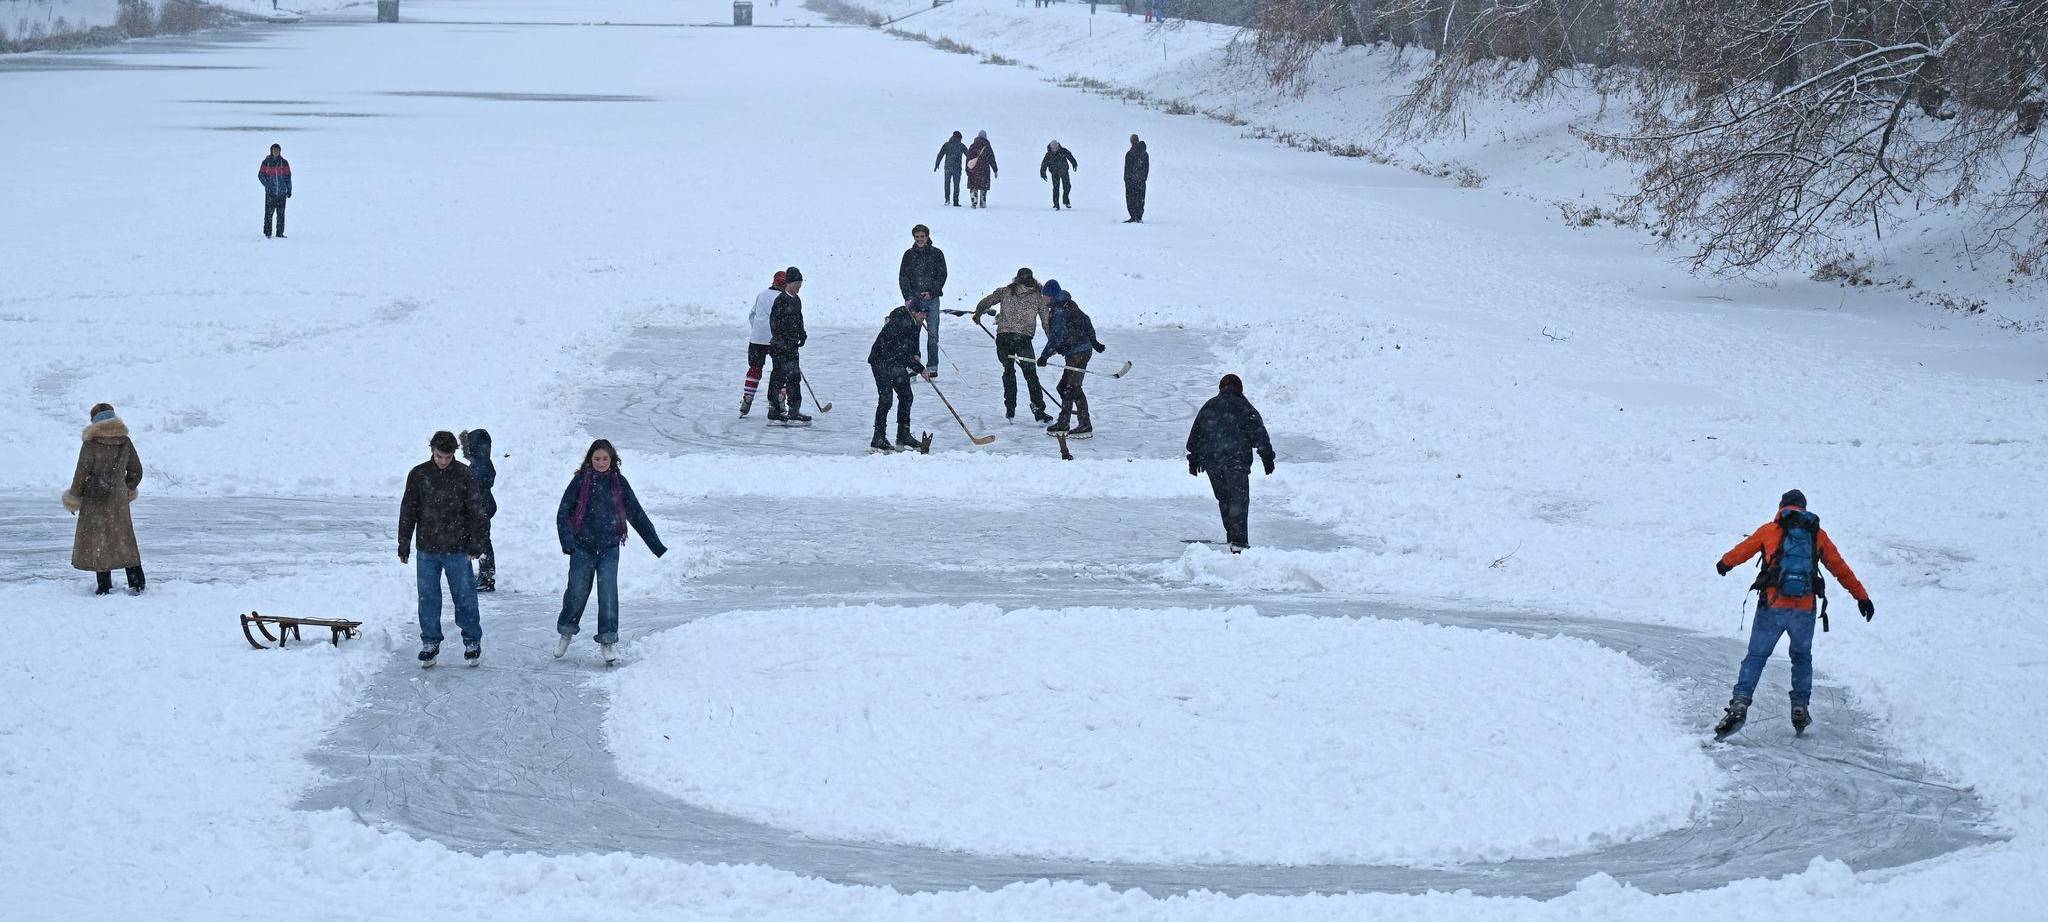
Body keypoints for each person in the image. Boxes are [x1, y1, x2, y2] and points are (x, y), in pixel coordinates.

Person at [1712, 490, 1875, 739]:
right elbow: (1841, 568)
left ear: (1782, 507)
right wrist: (1861, 597)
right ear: (1804, 508)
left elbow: (1742, 551)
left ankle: (1740, 703)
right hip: (1804, 609)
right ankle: (1800, 706)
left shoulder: (1770, 530)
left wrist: (1725, 563)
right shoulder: (1816, 534)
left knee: (1756, 656)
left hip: (1772, 606)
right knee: (1801, 658)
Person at [553, 439, 666, 666]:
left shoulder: (619, 483)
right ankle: (566, 632)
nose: (601, 463)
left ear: (612, 459)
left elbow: (636, 513)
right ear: (590, 460)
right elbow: (563, 512)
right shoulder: (580, 481)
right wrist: (568, 542)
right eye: (597, 459)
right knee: (576, 593)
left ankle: (608, 640)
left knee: (608, 595)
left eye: (605, 458)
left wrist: (655, 545)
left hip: (609, 548)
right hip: (582, 547)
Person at [398, 431, 488, 667]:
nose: (443, 461)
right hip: (427, 548)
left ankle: (471, 641)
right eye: (439, 456)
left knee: (465, 596)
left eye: (448, 457)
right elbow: (408, 510)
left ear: (454, 454)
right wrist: (404, 543)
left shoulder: (465, 475)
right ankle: (430, 642)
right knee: (428, 598)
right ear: (432, 451)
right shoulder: (419, 474)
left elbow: (477, 511)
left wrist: (476, 543)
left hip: (458, 549)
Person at [62, 403, 145, 596]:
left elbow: (80, 475)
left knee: (99, 542)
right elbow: (137, 471)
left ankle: (104, 586)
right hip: (118, 502)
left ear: (94, 421)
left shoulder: (90, 445)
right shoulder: (125, 442)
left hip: (94, 500)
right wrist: (125, 489)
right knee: (124, 540)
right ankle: (137, 582)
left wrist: (74, 497)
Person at [1185, 376, 1276, 552]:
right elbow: (1259, 434)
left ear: (1221, 387)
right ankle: (1239, 543)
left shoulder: (1210, 405)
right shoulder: (1245, 407)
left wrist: (1193, 460)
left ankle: (1232, 537)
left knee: (1224, 500)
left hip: (1212, 463)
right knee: (1239, 501)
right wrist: (1267, 458)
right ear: (1240, 388)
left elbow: (1196, 435)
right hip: (1236, 463)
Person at [972, 267, 1053, 422]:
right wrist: (1053, 343)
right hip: (1023, 339)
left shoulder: (1005, 291)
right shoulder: (1038, 296)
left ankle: (1010, 409)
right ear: (1033, 280)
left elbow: (986, 301)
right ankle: (1038, 409)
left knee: (1008, 371)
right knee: (1030, 375)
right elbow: (1046, 322)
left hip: (1004, 338)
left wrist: (978, 313)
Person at [1036, 280, 1105, 438]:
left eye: (1045, 296)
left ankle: (1069, 424)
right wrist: (1093, 341)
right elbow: (1086, 320)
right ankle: (1080, 423)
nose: (1043, 299)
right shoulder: (1068, 304)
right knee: (1066, 387)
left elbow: (1057, 337)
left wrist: (1045, 356)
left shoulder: (1059, 310)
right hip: (1080, 350)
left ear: (1051, 296)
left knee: (1069, 388)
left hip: (1077, 353)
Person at [866, 303, 932, 452]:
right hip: (881, 361)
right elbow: (902, 351)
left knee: (906, 396)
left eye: (926, 314)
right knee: (886, 399)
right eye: (922, 313)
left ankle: (903, 434)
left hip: (895, 361)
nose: (925, 317)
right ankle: (878, 437)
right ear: (914, 312)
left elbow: (911, 345)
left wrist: (917, 356)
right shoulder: (901, 323)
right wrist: (920, 369)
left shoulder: (915, 322)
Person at [898, 225, 949, 373]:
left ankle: (932, 366)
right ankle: (914, 364)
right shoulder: (908, 254)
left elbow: (942, 275)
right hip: (914, 300)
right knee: (912, 334)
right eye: (917, 237)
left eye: (922, 236)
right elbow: (903, 277)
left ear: (927, 237)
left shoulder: (936, 253)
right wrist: (907, 297)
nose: (920, 239)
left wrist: (932, 292)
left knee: (933, 333)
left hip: (931, 300)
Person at [767, 266, 810, 424]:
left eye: (801, 282)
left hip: (792, 346)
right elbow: (774, 324)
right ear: (789, 283)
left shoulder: (796, 300)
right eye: (797, 283)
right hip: (780, 347)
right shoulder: (780, 300)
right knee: (778, 378)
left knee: (794, 377)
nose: (800, 286)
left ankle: (794, 410)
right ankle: (774, 410)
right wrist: (780, 341)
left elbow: (799, 319)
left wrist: (802, 334)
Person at [741, 269, 786, 416]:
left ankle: (747, 398)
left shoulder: (762, 295)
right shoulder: (784, 297)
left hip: (757, 339)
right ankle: (780, 397)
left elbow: (752, 316)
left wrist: (759, 331)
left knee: (755, 368)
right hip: (776, 339)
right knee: (781, 370)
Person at [459, 429, 498, 592]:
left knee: (482, 541)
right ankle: (485, 574)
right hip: (482, 507)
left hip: (480, 509)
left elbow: (477, 488)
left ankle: (487, 577)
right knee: (481, 540)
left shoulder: (479, 466)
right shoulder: (480, 463)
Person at [259, 143, 292, 238]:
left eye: (277, 150)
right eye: (274, 150)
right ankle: (267, 233)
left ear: (280, 151)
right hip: (270, 193)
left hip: (282, 193)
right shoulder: (266, 162)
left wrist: (289, 189)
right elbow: (260, 175)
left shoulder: (284, 163)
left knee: (281, 214)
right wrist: (267, 185)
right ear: (271, 151)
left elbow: (288, 177)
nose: (276, 152)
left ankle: (280, 233)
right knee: (269, 214)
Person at [1040, 140, 1078, 210]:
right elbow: (1044, 164)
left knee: (1067, 186)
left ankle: (1066, 200)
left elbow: (1070, 157)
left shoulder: (1063, 151)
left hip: (1064, 172)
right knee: (1056, 188)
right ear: (1051, 147)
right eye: (1053, 147)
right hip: (1055, 173)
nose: (1054, 148)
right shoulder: (1048, 154)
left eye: (1056, 147)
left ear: (1058, 146)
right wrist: (1043, 173)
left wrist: (1074, 164)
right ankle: (1056, 204)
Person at [934, 131, 968, 207]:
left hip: (948, 167)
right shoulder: (961, 145)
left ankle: (947, 200)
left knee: (947, 183)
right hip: (957, 169)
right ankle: (955, 201)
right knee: (956, 185)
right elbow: (968, 155)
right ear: (959, 138)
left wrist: (937, 164)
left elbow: (940, 155)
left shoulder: (947, 144)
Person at [965, 130, 998, 208]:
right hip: (984, 170)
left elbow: (968, 159)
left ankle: (974, 201)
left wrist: (967, 169)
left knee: (973, 186)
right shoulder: (988, 147)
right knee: (984, 187)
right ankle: (983, 202)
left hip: (974, 170)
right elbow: (992, 159)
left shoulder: (973, 146)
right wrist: (995, 170)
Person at [1123, 134, 1149, 223]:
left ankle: (1134, 216)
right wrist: (1143, 178)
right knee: (1140, 199)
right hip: (1139, 181)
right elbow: (1146, 169)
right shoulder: (1144, 154)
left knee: (1131, 199)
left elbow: (1127, 169)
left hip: (1133, 181)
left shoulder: (1130, 154)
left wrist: (1127, 179)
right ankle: (1137, 217)